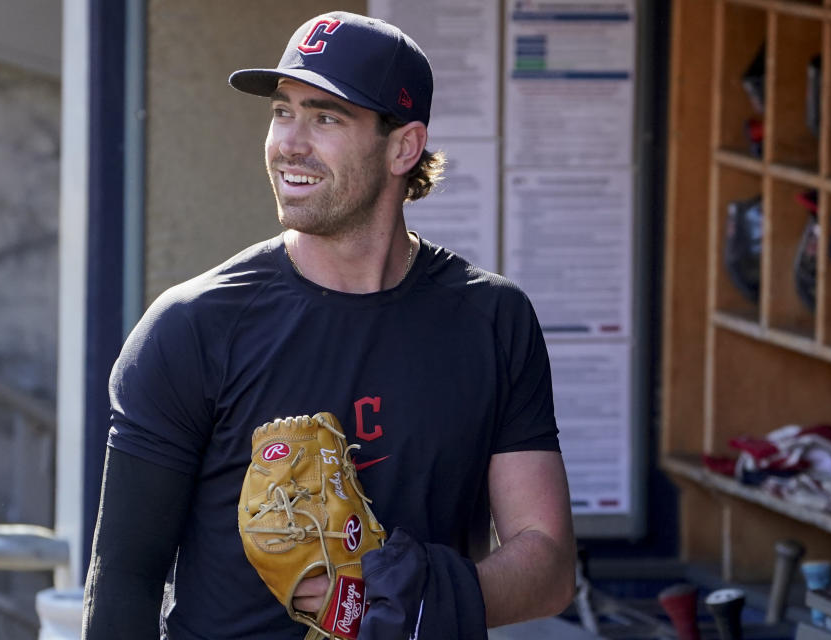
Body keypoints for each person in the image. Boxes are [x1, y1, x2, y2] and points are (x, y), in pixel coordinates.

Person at [82, 9, 575, 639]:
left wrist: (417, 600)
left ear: (403, 146)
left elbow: (550, 564)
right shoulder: (193, 327)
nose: (289, 142)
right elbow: (122, 579)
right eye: (282, 110)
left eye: (325, 117)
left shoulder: (491, 320)